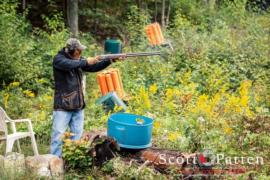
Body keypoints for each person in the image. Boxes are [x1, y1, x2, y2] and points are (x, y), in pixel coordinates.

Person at [50, 38, 123, 157]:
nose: (80, 54)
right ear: (70, 51)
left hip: (78, 105)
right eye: (78, 51)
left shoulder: (77, 60)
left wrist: (110, 60)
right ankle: (54, 162)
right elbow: (72, 64)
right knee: (58, 137)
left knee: (77, 137)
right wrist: (87, 61)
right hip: (63, 106)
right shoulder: (59, 60)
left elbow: (93, 67)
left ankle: (73, 162)